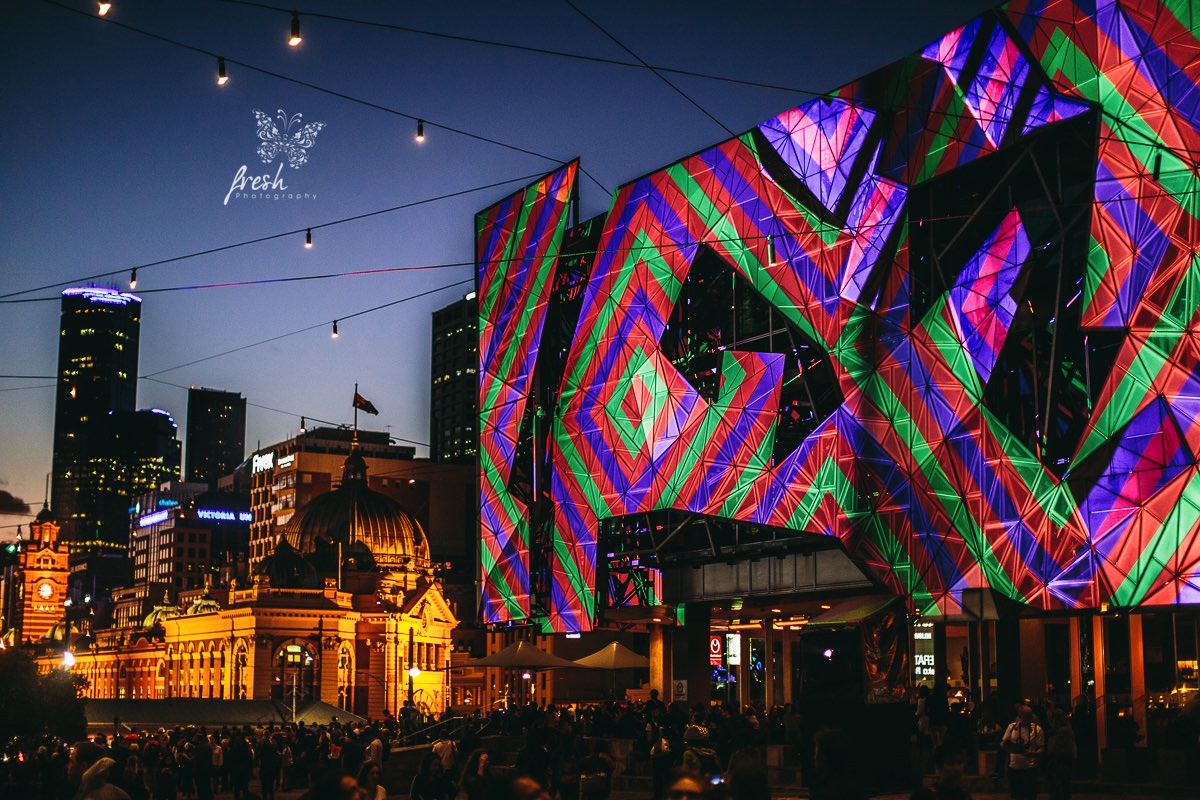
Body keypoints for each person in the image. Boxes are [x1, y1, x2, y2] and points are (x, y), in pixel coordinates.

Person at [1001, 705, 1044, 800]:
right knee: (1016, 795)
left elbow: (1042, 748)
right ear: (1020, 716)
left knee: (1030, 795)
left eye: (1030, 716)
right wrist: (1009, 748)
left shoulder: (1037, 730)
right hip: (1014, 768)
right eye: (1026, 716)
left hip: (1030, 768)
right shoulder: (1012, 727)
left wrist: (1034, 753)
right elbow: (1003, 743)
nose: (1029, 719)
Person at [1044, 709, 1077, 800]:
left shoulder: (1062, 732)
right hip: (1063, 764)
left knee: (1059, 790)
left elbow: (1054, 750)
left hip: (1060, 765)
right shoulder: (1066, 730)